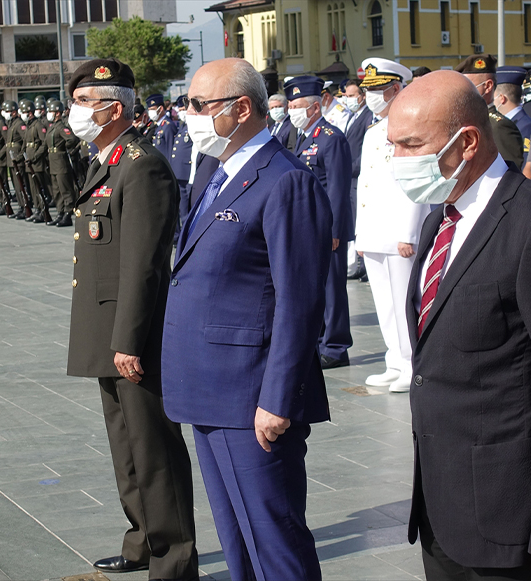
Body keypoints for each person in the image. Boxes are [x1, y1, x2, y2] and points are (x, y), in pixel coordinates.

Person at [388, 69, 531, 581]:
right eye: (393, 145)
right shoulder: (439, 219)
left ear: (466, 142)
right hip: (441, 509)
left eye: (412, 145)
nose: (399, 161)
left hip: (511, 522)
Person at [161, 57, 331, 581]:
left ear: (241, 109)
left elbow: (300, 303)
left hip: (252, 396)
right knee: (237, 537)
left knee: (274, 539)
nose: (186, 114)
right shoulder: (216, 169)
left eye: (197, 105)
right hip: (211, 387)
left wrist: (276, 399)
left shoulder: (284, 181)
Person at [65, 58, 197, 580]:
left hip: (132, 331)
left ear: (113, 109)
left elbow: (143, 264)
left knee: (153, 446)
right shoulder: (109, 158)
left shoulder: (141, 164)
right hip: (108, 328)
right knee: (126, 446)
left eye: (81, 105)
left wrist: (129, 340)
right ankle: (142, 539)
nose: (72, 114)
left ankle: (174, 558)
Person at [356, 58, 430, 393]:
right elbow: (366, 185)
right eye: (368, 90)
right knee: (384, 303)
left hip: (399, 233)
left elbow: (414, 186)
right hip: (374, 232)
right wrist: (361, 233)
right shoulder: (373, 132)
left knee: (404, 302)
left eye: (377, 90)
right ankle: (394, 360)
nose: (371, 96)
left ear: (396, 89)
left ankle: (413, 363)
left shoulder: (411, 128)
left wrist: (408, 232)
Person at [287, 75, 354, 369]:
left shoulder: (332, 137)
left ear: (314, 108)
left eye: (297, 105)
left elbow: (339, 188)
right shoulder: (301, 137)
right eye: (290, 104)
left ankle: (336, 347)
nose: (292, 110)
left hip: (327, 227)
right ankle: (318, 340)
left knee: (332, 289)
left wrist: (336, 230)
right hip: (306, 225)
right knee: (313, 287)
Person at [455, 54, 525, 169]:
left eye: (469, 86)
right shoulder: (466, 120)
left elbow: (510, 174)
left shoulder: (499, 126)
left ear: (487, 86)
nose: (464, 91)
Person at [343, 79, 374, 281]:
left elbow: (366, 149)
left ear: (362, 96)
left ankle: (364, 266)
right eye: (346, 96)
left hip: (358, 174)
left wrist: (350, 167)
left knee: (361, 218)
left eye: (352, 95)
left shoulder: (368, 116)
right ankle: (360, 263)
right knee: (354, 220)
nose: (348, 99)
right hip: (351, 177)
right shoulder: (352, 116)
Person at [45, 99, 78, 227]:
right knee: (56, 190)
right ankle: (60, 213)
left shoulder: (61, 128)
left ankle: (68, 214)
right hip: (53, 162)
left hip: (60, 161)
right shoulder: (52, 127)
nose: (50, 114)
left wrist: (64, 148)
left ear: (57, 113)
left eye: (52, 111)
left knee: (65, 189)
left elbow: (72, 139)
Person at [495, 66, 531, 163]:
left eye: (493, 96)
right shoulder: (502, 123)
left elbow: (525, 165)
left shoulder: (526, 127)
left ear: (501, 98)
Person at [169, 95, 194, 229]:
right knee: (181, 209)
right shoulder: (182, 126)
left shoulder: (193, 126)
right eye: (180, 109)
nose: (181, 112)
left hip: (187, 173)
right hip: (179, 172)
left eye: (184, 108)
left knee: (186, 212)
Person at [145, 93, 177, 158]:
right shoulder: (157, 125)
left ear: (160, 109)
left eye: (152, 109)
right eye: (149, 110)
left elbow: (171, 151)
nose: (150, 112)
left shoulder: (168, 126)